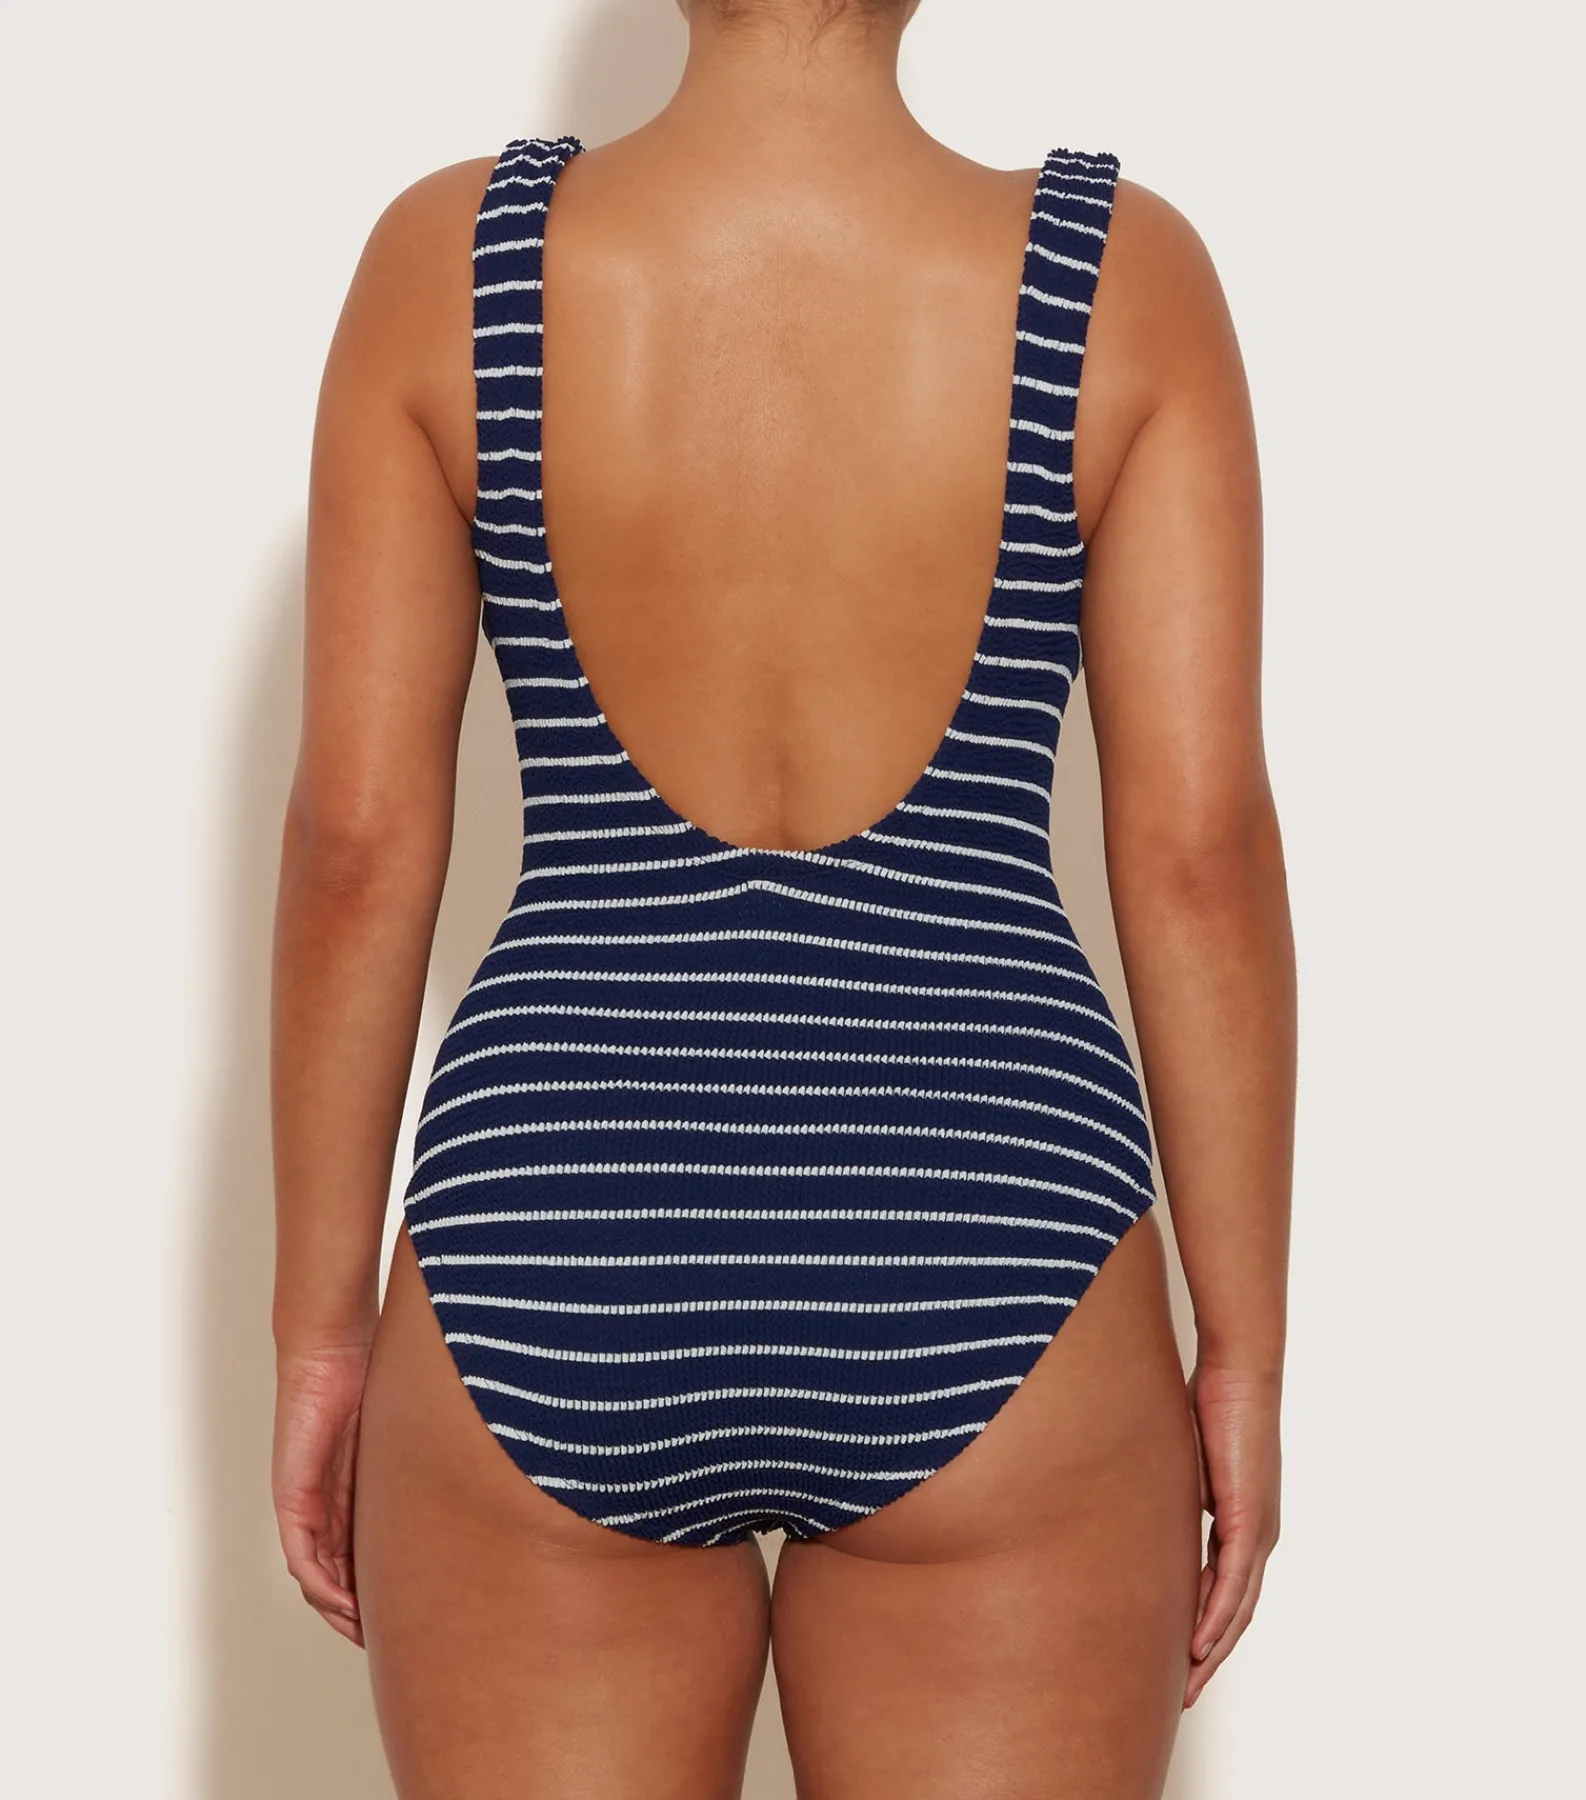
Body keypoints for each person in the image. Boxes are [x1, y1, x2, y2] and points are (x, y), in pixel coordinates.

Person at [270, 1, 1295, 1793]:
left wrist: (317, 1335)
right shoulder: (1114, 278)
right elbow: (1193, 857)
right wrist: (1245, 1355)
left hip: (555, 1237)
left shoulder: (451, 265)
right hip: (991, 1232)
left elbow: (360, 849)